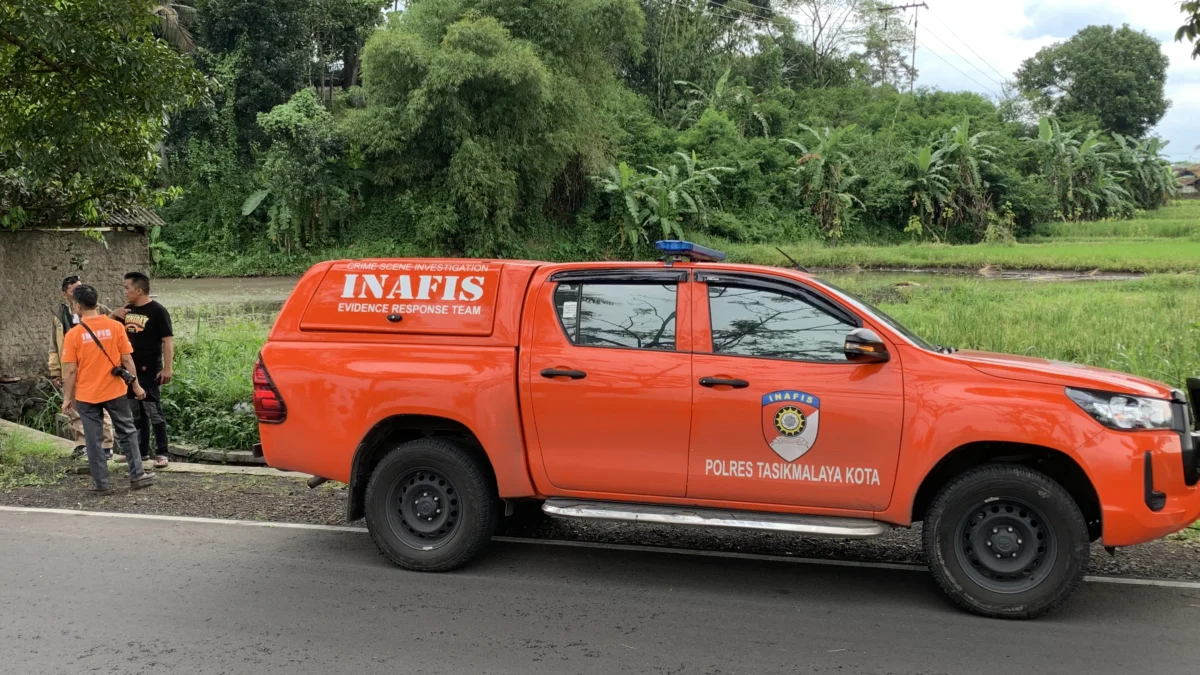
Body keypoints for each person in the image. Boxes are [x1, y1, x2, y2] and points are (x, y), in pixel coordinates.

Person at [60, 284, 156, 492]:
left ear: (77, 306)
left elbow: (70, 371)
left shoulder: (74, 335)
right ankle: (137, 475)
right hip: (115, 390)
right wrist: (137, 386)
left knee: (93, 439)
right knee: (127, 431)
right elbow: (127, 360)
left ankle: (101, 484)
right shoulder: (115, 327)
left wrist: (67, 398)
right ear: (96, 302)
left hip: (86, 395)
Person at [111, 271, 173, 468]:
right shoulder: (126, 310)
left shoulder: (158, 311)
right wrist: (113, 314)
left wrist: (167, 368)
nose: (125, 291)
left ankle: (162, 452)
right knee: (136, 413)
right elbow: (104, 328)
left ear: (138, 290)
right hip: (129, 370)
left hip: (150, 370)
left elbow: (168, 341)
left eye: (127, 288)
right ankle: (141, 451)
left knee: (153, 411)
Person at [49, 275, 115, 459]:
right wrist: (55, 370)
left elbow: (112, 327)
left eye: (80, 288)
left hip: (95, 366)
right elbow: (54, 345)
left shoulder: (99, 309)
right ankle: (81, 443)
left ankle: (106, 444)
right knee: (73, 406)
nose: (78, 292)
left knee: (101, 404)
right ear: (65, 294)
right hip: (71, 365)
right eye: (73, 290)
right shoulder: (60, 316)